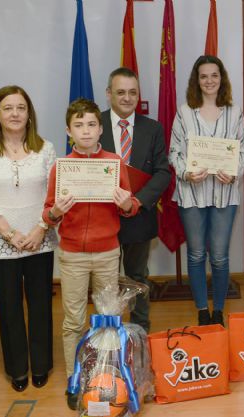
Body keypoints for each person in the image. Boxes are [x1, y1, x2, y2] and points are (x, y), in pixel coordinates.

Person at [42, 98, 139, 408]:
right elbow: (47, 214)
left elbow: (131, 206)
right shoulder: (61, 167)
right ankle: (75, 380)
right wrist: (55, 212)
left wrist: (126, 204)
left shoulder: (114, 163)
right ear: (69, 131)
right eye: (79, 125)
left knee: (109, 319)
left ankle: (107, 376)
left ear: (100, 129)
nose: (86, 130)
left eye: (92, 124)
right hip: (72, 254)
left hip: (108, 252)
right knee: (73, 320)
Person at [0, 85, 57, 392]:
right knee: (9, 308)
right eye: (8, 108)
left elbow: (53, 193)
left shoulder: (45, 149)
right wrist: (8, 233)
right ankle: (18, 368)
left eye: (21, 107)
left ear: (29, 113)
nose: (15, 113)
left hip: (39, 238)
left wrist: (39, 230)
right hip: (0, 241)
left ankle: (42, 365)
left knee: (40, 304)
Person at [169, 55, 244, 326]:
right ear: (197, 80)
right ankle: (202, 310)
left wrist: (235, 170)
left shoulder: (234, 112)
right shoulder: (184, 112)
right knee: (195, 254)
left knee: (219, 255)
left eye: (214, 75)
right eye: (203, 76)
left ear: (221, 78)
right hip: (192, 192)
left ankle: (219, 311)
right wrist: (185, 172)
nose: (209, 81)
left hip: (224, 194)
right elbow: (174, 152)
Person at [100, 67, 171, 333]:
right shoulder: (93, 124)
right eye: (120, 92)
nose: (127, 98)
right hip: (102, 217)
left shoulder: (152, 128)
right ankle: (107, 333)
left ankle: (140, 330)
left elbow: (163, 172)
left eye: (132, 92)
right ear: (109, 94)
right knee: (105, 281)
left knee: (137, 277)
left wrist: (138, 201)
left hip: (139, 216)